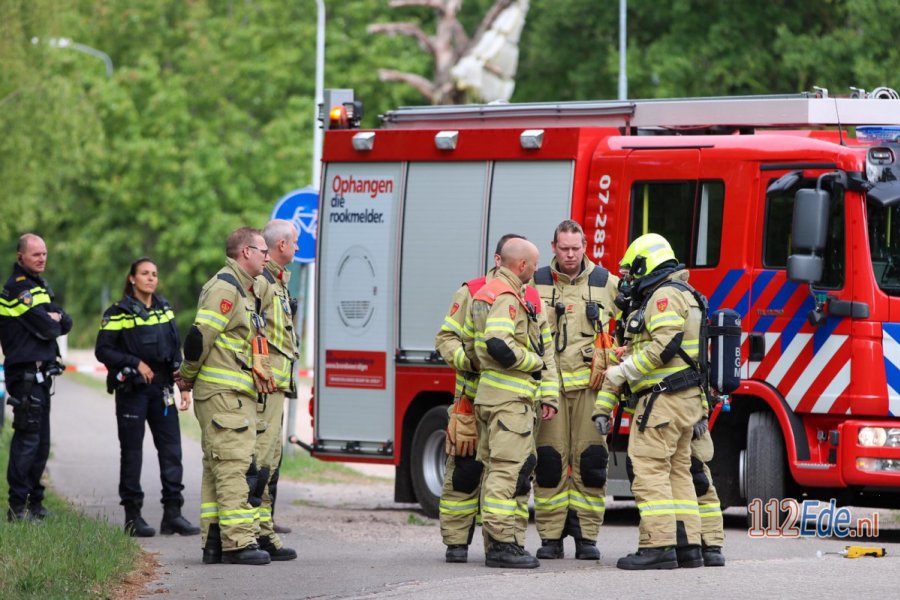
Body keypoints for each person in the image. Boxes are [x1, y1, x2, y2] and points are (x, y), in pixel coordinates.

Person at [592, 233, 704, 570]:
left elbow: (663, 346)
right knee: (678, 472)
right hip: (685, 399)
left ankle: (658, 547)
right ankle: (687, 547)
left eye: (631, 271)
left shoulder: (664, 296)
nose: (628, 279)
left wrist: (622, 371)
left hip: (662, 400)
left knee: (650, 470)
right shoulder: (686, 293)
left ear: (646, 265)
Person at [435, 233, 541, 564]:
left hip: (507, 392)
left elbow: (542, 345)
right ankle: (457, 543)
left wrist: (545, 387)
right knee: (466, 470)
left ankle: (509, 541)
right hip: (471, 395)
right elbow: (446, 338)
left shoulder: (529, 297)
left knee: (513, 470)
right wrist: (470, 362)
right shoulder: (471, 290)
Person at [176, 227, 273, 566]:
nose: (267, 256)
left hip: (230, 394)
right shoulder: (224, 289)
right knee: (235, 467)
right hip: (223, 394)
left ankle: (214, 542)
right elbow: (199, 338)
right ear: (245, 252)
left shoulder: (245, 289)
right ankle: (238, 544)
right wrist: (186, 376)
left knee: (217, 468)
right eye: (262, 250)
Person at [530, 220, 619, 560]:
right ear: (553, 247)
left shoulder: (606, 283)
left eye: (576, 248)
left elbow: (627, 332)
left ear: (585, 246)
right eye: (564, 248)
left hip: (591, 391)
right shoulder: (534, 282)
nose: (570, 255)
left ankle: (586, 537)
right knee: (550, 463)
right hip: (548, 390)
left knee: (591, 463)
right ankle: (551, 537)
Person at [469, 237, 559, 569]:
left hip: (491, 397)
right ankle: (502, 546)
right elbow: (497, 343)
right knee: (506, 473)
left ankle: (496, 541)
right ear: (521, 266)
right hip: (509, 402)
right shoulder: (507, 297)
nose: (536, 271)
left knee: (496, 470)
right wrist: (532, 361)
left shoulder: (487, 292)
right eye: (534, 266)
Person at [94, 257, 200, 538]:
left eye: (154, 273)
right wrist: (135, 362)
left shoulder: (164, 309)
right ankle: (133, 516)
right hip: (133, 391)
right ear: (132, 278)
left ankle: (173, 514)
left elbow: (175, 352)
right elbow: (103, 351)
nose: (151, 278)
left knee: (172, 451)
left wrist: (184, 386)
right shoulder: (118, 312)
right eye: (144, 273)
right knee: (132, 453)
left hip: (162, 390)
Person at [0, 234, 71, 521]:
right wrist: (52, 319)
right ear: (21, 257)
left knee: (41, 443)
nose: (42, 258)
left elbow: (65, 321)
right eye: (35, 254)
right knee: (27, 441)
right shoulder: (18, 289)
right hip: (26, 376)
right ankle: (17, 507)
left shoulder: (38, 286)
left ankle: (35, 503)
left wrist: (56, 317)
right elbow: (48, 327)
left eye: (44, 254)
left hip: (41, 376)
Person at [251, 219, 300, 560]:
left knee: (271, 460)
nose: (298, 248)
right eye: (294, 243)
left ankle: (262, 530)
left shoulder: (278, 282)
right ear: (281, 245)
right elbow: (252, 333)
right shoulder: (263, 283)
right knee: (260, 461)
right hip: (265, 384)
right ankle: (254, 532)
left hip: (276, 384)